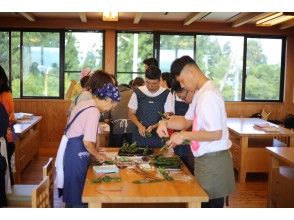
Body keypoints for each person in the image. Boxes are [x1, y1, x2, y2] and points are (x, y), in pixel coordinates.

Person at [157, 56, 235, 208]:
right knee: (202, 205)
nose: (182, 85)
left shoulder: (209, 95)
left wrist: (183, 135)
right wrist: (163, 122)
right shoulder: (201, 94)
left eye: (182, 81)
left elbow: (215, 134)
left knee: (210, 207)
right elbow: (186, 121)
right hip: (206, 160)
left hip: (214, 161)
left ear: (191, 72)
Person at [63, 70, 121, 208]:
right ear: (107, 99)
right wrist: (99, 155)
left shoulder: (87, 103)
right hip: (77, 154)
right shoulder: (94, 111)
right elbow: (88, 142)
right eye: (110, 106)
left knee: (73, 196)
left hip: (72, 152)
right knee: (79, 198)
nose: (108, 110)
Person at [128, 65, 174, 148]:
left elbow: (168, 116)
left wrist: (154, 126)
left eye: (154, 83)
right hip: (139, 137)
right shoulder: (137, 92)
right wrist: (139, 125)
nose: (150, 86)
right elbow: (131, 113)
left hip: (159, 137)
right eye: (147, 82)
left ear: (160, 80)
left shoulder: (167, 94)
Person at [0, 65, 16, 190]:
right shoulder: (6, 93)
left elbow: (5, 118)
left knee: (4, 169)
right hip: (7, 135)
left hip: (6, 137)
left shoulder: (4, 95)